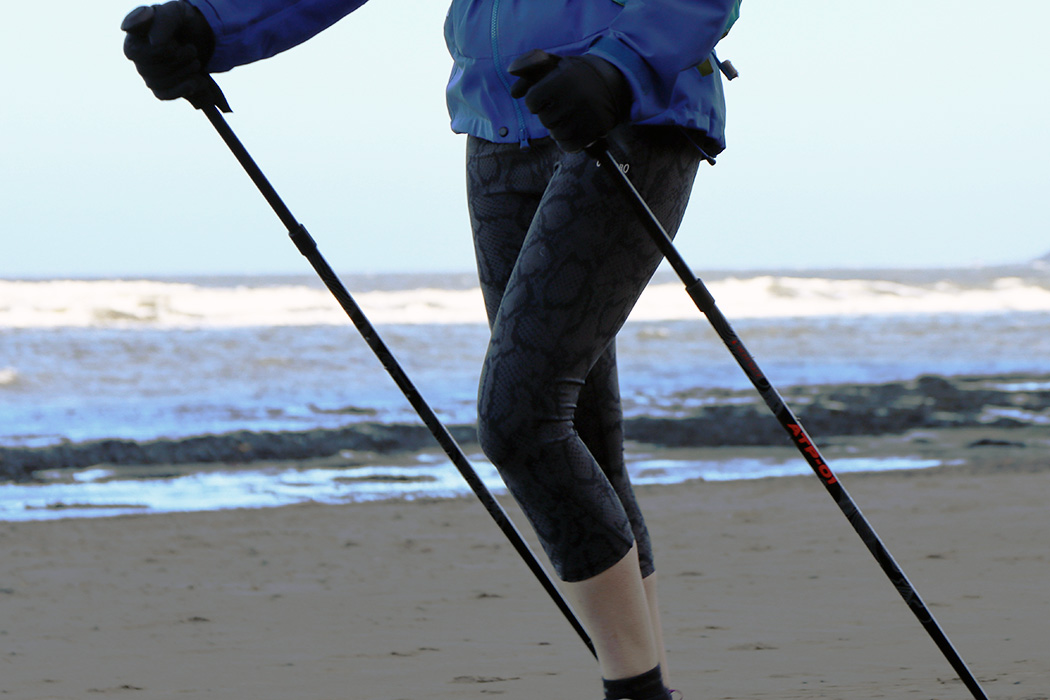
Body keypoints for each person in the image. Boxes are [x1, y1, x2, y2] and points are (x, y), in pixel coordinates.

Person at [122, 2, 739, 698]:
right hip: (498, 124)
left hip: (625, 112)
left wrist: (618, 67)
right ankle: (646, 683)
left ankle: (638, 692)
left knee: (521, 421)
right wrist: (212, 23)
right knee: (580, 438)